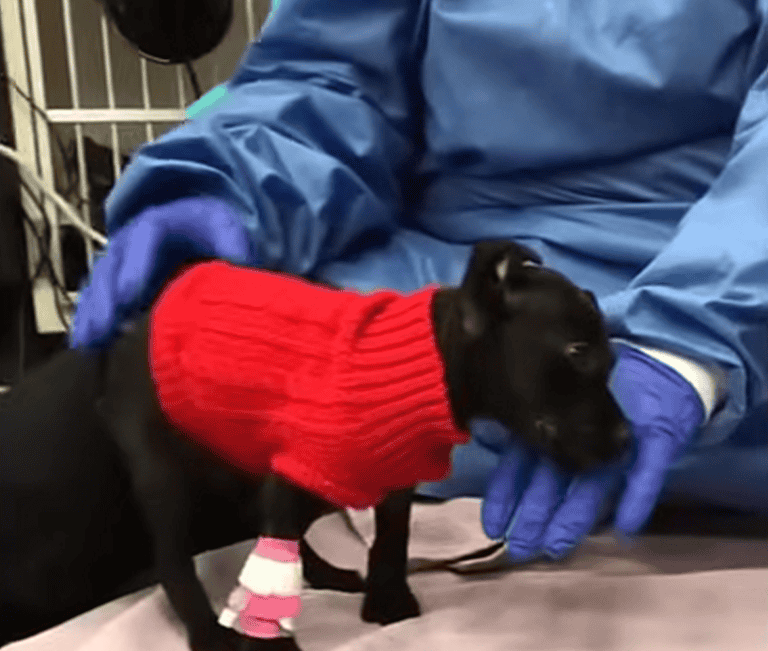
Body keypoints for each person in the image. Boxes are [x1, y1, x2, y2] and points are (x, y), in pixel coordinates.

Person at [70, 0, 768, 563]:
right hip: (423, 308)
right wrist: (224, 188)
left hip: (721, 296)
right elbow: (330, 77)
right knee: (73, 454)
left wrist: (693, 345)